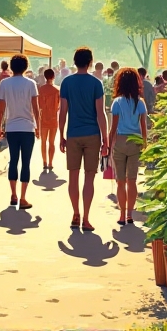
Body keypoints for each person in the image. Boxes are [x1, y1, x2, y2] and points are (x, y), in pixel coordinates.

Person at [58, 47, 108, 232]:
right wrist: (106, 140)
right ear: (90, 62)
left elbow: (62, 112)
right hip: (93, 135)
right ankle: (86, 218)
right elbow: (100, 113)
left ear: (74, 61)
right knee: (89, 178)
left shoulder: (66, 83)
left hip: (73, 134)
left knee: (73, 176)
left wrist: (61, 135)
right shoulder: (96, 83)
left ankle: (75, 213)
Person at [0, 54, 40, 209]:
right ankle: (23, 198)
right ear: (26, 66)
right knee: (26, 163)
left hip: (12, 128)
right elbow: (35, 108)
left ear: (11, 67)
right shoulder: (31, 84)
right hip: (28, 128)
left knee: (13, 160)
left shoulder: (4, 84)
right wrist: (38, 128)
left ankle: (13, 195)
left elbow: (0, 109)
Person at [108, 68, 148, 226]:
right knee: (132, 181)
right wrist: (144, 143)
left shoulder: (117, 102)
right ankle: (131, 214)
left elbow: (114, 126)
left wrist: (109, 144)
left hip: (120, 141)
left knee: (120, 181)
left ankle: (122, 214)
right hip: (136, 141)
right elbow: (143, 125)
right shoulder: (140, 102)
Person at [38, 68, 60, 171]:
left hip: (43, 119)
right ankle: (51, 162)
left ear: (45, 77)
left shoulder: (41, 90)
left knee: (43, 142)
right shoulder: (57, 90)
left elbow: (39, 105)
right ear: (53, 76)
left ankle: (44, 162)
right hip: (54, 118)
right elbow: (59, 105)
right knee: (52, 142)